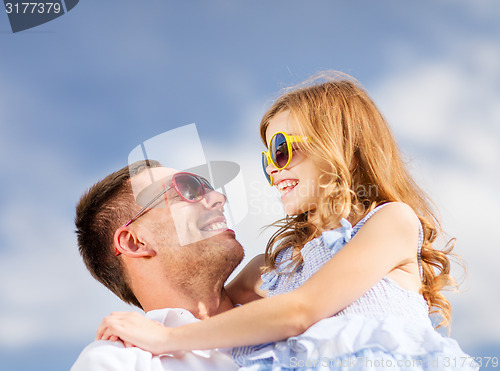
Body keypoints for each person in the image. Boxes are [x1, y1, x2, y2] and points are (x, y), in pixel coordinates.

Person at [96, 72, 478, 370]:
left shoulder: (391, 222)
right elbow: (213, 305)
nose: (274, 171)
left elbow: (300, 310)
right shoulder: (277, 265)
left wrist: (164, 340)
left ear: (344, 149)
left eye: (281, 150)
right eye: (268, 160)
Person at [71, 160, 243, 370]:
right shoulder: (117, 363)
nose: (219, 198)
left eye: (207, 187)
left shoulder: (282, 292)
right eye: (186, 189)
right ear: (134, 243)